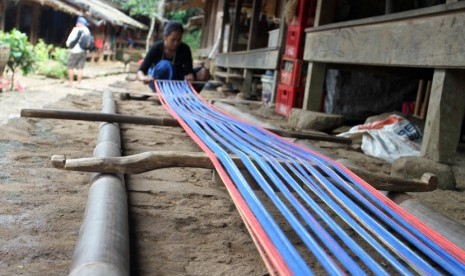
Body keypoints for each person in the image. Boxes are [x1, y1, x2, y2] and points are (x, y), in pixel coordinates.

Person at [137, 21, 210, 92]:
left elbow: (188, 70)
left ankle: (189, 95)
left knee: (204, 72)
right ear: (165, 37)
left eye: (179, 40)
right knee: (165, 65)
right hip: (158, 81)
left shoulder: (185, 49)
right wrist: (143, 78)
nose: (176, 43)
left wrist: (190, 75)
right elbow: (141, 70)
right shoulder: (156, 48)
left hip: (176, 80)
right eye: (173, 39)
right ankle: (164, 92)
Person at [65, 16, 91, 86]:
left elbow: (69, 41)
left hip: (74, 51)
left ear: (79, 23)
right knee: (80, 68)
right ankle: (78, 83)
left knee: (70, 67)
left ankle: (70, 82)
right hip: (84, 51)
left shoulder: (76, 30)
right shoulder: (87, 30)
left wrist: (68, 45)